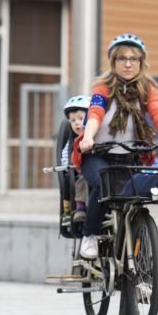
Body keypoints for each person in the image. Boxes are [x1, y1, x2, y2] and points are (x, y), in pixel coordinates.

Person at [77, 33, 158, 260]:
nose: (128, 64)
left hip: (130, 155)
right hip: (98, 154)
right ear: (113, 62)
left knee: (139, 193)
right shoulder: (103, 88)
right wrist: (88, 137)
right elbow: (95, 113)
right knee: (103, 185)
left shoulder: (147, 89)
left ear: (141, 62)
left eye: (133, 59)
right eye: (122, 58)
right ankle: (90, 235)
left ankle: (134, 234)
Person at [59, 95, 90, 228]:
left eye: (81, 119)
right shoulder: (72, 141)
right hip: (77, 171)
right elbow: (65, 155)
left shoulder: (95, 137)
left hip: (92, 169)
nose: (77, 123)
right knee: (70, 181)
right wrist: (67, 166)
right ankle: (75, 209)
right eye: (73, 120)